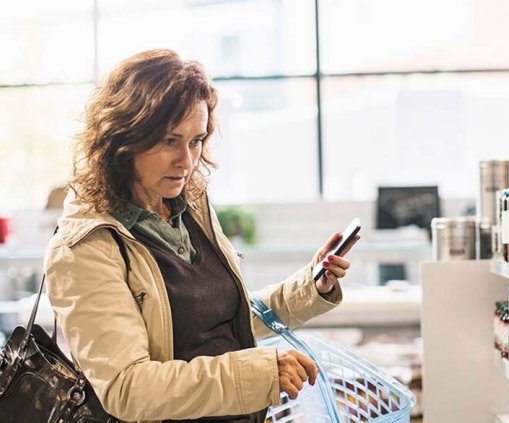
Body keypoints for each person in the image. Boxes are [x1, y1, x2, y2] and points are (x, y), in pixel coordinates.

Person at [44, 49, 359, 423]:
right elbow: (127, 389)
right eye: (169, 141)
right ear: (123, 138)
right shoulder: (85, 247)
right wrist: (260, 372)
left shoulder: (188, 208)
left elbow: (224, 319)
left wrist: (310, 287)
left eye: (196, 141)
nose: (187, 161)